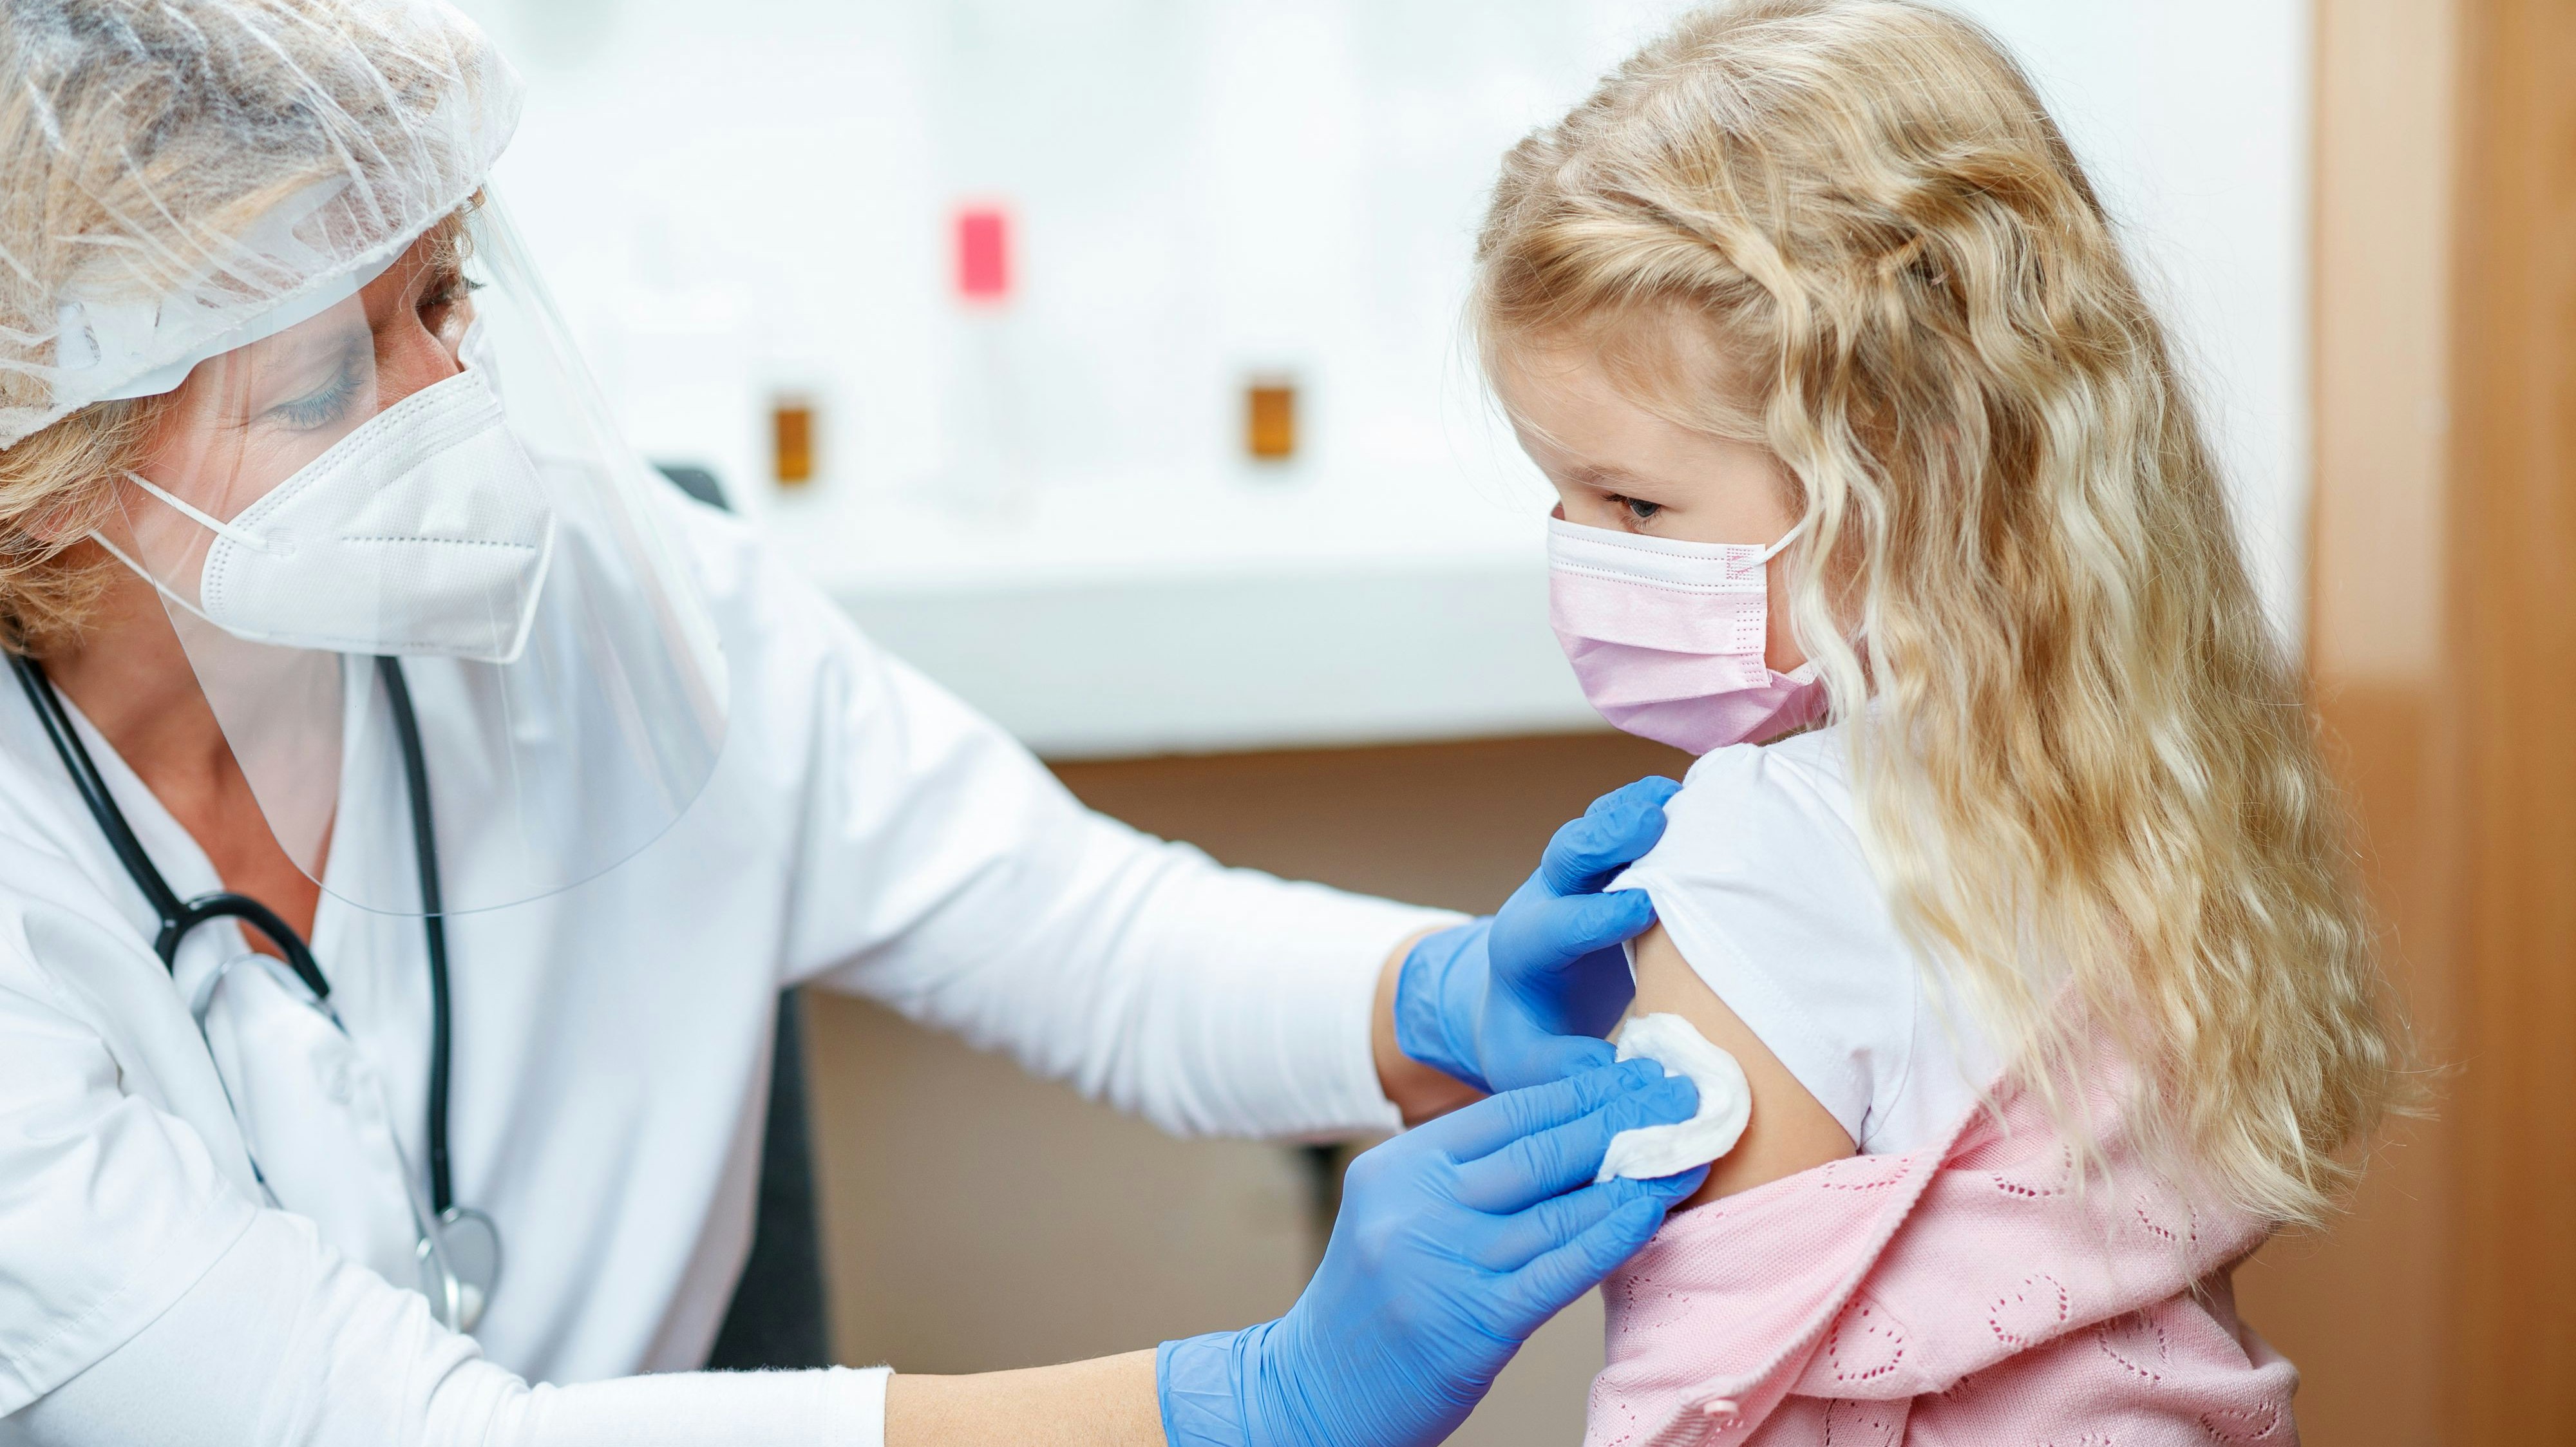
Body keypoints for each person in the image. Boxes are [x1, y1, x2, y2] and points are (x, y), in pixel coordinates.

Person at [0, 2, 1710, 1443]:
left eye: (442, 301)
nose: (452, 411)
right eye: (322, 380)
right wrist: (1242, 1402)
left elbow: (1066, 924)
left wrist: (1428, 1001)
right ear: (42, 462)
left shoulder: (585, 588)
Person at [1465, 1, 2415, 1440]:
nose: (1580, 547)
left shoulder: (1759, 849)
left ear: (1895, 470)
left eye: (1633, 503)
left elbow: (1707, 1400)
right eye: (1559, 491)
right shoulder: (2155, 777)